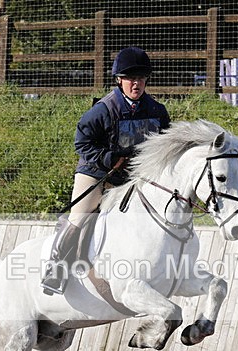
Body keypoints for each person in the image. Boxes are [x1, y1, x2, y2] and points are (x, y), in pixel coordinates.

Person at [41, 46, 171, 295]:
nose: (137, 84)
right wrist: (109, 159)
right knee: (79, 218)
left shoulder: (157, 111)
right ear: (119, 80)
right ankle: (55, 269)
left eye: (142, 79)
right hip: (96, 172)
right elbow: (82, 143)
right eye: (132, 79)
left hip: (132, 177)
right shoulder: (104, 110)